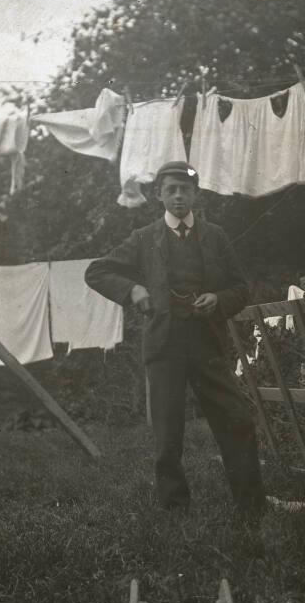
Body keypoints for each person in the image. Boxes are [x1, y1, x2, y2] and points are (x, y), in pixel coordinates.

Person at [85, 161, 265, 514]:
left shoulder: (215, 235)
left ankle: (252, 508)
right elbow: (97, 271)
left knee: (236, 420)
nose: (179, 196)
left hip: (207, 343)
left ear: (196, 195)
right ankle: (175, 511)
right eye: (171, 189)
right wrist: (134, 289)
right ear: (159, 195)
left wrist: (219, 299)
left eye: (185, 189)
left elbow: (240, 287)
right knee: (167, 435)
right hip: (164, 345)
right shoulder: (143, 238)